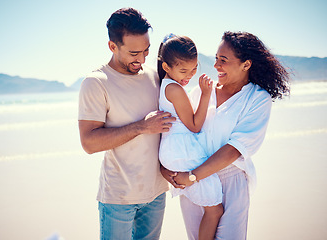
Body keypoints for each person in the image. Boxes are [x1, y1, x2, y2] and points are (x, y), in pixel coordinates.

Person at [161, 31, 290, 240]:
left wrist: (193, 175)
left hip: (229, 180)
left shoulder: (257, 99)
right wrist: (166, 168)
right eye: (215, 59)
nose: (216, 66)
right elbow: (177, 132)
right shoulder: (201, 92)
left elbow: (234, 149)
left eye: (223, 60)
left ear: (246, 64)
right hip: (192, 181)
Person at [78, 8, 175, 240]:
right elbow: (89, 143)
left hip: (157, 193)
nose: (141, 59)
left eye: (146, 51)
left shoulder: (155, 76)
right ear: (112, 46)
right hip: (118, 198)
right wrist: (141, 127)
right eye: (134, 53)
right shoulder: (96, 83)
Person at [157, 34, 223, 240]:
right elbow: (194, 126)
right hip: (182, 153)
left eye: (194, 69)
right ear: (167, 67)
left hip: (175, 151)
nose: (190, 75)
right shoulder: (175, 89)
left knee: (210, 208)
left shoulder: (167, 84)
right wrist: (205, 93)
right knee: (215, 210)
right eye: (183, 70)